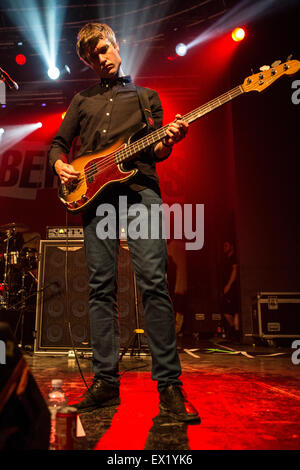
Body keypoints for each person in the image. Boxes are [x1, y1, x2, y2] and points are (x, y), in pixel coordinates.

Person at [48, 23, 199, 423]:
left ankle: (169, 386)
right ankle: (105, 383)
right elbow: (59, 144)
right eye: (92, 56)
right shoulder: (81, 100)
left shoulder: (147, 98)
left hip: (140, 193)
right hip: (94, 197)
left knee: (153, 281)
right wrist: (61, 165)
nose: (101, 58)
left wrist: (170, 139)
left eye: (104, 50)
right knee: (101, 289)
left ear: (117, 46)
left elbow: (160, 151)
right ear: (87, 63)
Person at [221, 240, 240, 342]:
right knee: (227, 312)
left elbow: (235, 271)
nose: (224, 247)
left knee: (234, 311)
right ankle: (234, 331)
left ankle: (236, 333)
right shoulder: (226, 258)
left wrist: (229, 285)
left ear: (231, 246)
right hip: (227, 287)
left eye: (226, 245)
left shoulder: (234, 257)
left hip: (232, 288)